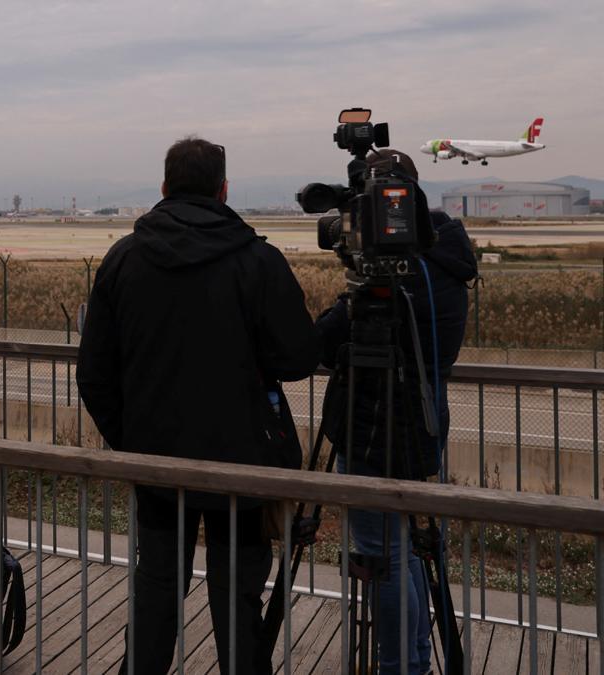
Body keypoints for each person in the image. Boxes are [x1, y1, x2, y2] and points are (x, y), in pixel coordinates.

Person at [77, 137, 319, 674]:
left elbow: (93, 374)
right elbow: (299, 356)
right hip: (243, 466)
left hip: (157, 463)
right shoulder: (258, 260)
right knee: (238, 599)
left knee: (156, 590)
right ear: (224, 189)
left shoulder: (124, 258)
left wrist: (132, 438)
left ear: (164, 187)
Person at [315, 149, 477, 674]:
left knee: (382, 555)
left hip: (374, 428)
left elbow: (323, 343)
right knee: (408, 550)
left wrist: (347, 303)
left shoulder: (406, 275)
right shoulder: (447, 260)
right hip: (426, 420)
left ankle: (397, 665)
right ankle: (417, 660)